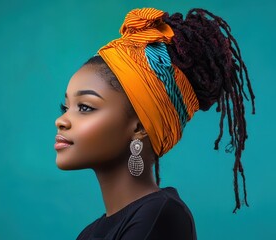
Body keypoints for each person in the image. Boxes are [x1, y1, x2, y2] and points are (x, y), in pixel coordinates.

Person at [54, 7, 255, 240]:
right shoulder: (89, 233)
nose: (61, 120)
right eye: (65, 107)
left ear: (139, 127)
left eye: (85, 107)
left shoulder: (161, 216)